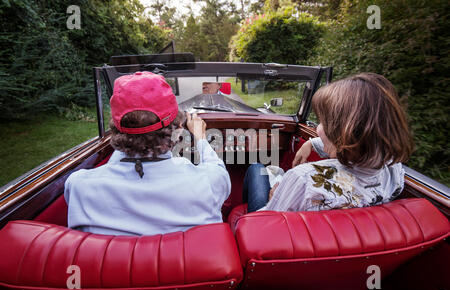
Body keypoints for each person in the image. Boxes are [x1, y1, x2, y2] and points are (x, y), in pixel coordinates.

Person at [65, 71, 231, 236]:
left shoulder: (79, 186)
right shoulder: (208, 182)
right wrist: (201, 137)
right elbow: (216, 167)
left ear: (115, 132)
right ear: (178, 129)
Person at [242, 73, 414, 212]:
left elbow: (268, 225)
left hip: (275, 233)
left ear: (343, 133)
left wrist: (275, 198)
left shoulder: (304, 179)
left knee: (257, 168)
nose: (317, 128)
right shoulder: (394, 170)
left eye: (323, 122)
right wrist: (310, 144)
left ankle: (241, 212)